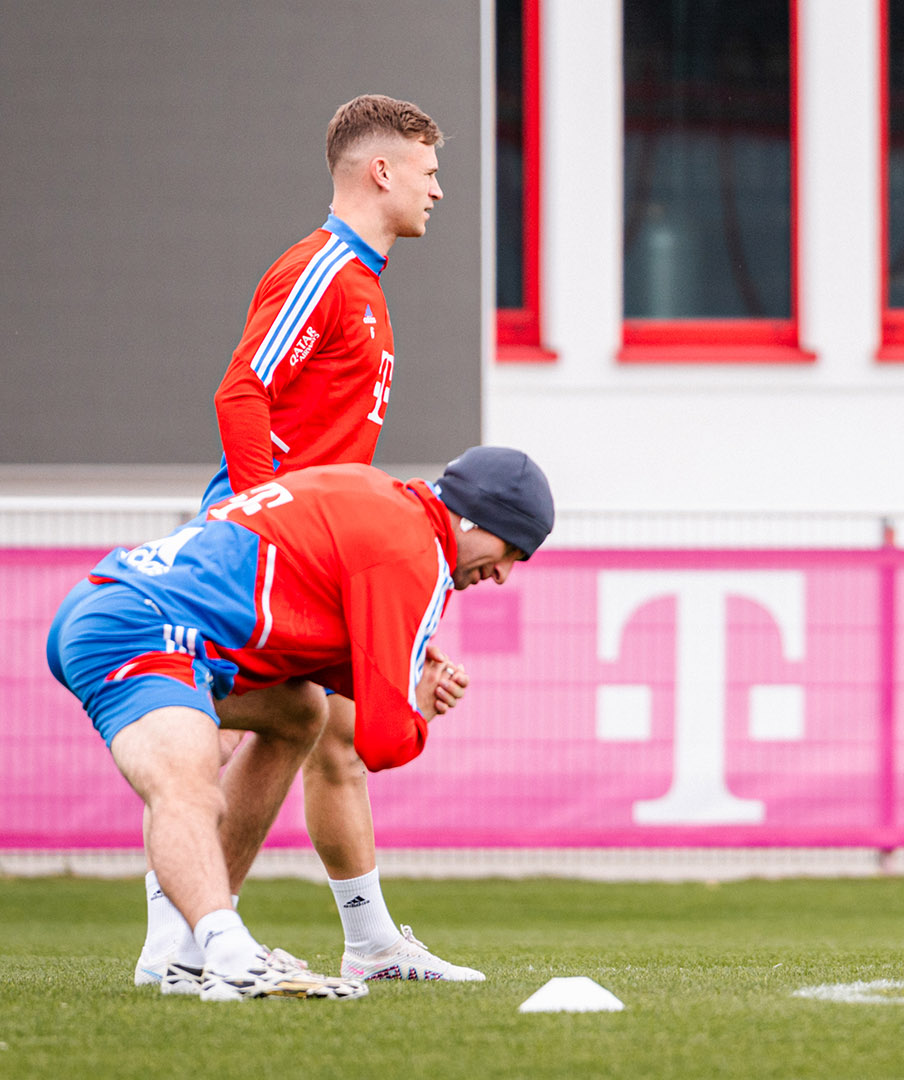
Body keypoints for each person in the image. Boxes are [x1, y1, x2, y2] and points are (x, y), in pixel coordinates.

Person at [133, 93, 479, 987]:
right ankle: (182, 945)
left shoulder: (362, 281)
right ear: (382, 172)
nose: (440, 190)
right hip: (263, 555)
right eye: (430, 172)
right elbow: (240, 392)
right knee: (247, 731)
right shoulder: (324, 266)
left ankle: (349, 941)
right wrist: (268, 523)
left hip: (309, 553)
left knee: (323, 730)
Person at [47, 447, 555, 1001]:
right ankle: (226, 952)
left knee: (299, 714)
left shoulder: (372, 493)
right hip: (139, 628)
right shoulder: (416, 551)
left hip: (127, 607)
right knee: (187, 789)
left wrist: (396, 684)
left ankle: (193, 956)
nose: (504, 574)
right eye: (513, 550)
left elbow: (310, 628)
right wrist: (420, 712)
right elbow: (382, 740)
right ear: (476, 520)